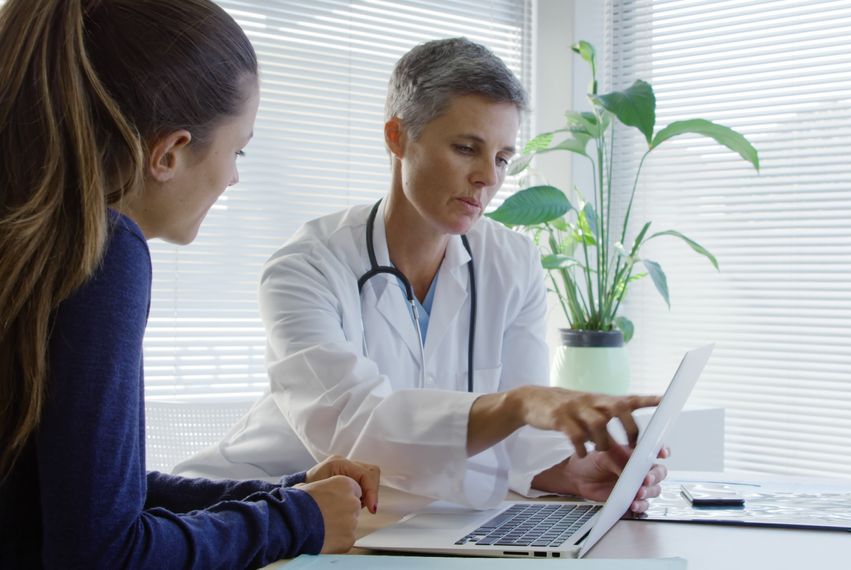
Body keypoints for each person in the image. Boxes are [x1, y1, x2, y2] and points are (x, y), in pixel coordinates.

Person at [175, 37, 669, 511]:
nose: (488, 178)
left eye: (501, 158)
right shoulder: (305, 267)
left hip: (410, 524)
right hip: (258, 509)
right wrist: (517, 405)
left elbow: (517, 443)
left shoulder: (512, 261)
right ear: (397, 137)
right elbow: (354, 431)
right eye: (465, 148)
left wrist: (568, 471)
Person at [0, 1, 381, 567]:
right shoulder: (103, 253)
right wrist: (295, 521)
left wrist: (282, 496)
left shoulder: (33, 247)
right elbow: (103, 554)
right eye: (237, 150)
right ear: (170, 153)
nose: (232, 176)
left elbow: (81, 500)